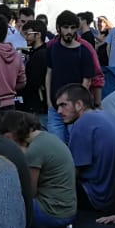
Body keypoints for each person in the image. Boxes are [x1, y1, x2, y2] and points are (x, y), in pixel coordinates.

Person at [56, 84, 115, 220]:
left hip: (95, 196)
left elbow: (73, 171)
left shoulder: (83, 123)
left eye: (63, 105)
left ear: (79, 104)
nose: (59, 111)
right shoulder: (108, 115)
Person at [45, 10, 98, 140]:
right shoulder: (52, 49)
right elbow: (48, 74)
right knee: (56, 146)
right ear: (59, 28)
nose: (69, 31)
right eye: (65, 27)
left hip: (75, 111)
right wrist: (49, 102)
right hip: (55, 108)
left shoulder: (84, 51)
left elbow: (87, 82)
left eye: (72, 27)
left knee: (75, 146)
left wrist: (78, 107)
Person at [20, 19, 51, 114]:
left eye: (28, 34)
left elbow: (33, 82)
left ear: (38, 35)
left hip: (37, 106)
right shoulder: (39, 52)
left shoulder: (40, 55)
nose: (25, 37)